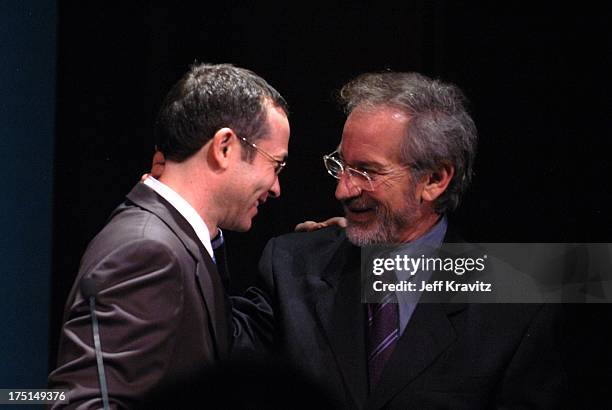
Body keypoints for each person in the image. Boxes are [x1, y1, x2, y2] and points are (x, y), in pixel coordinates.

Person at [232, 71, 566, 409]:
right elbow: (211, 359)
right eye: (342, 167)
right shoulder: (291, 267)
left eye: (366, 172)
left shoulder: (513, 309)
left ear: (434, 180)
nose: (343, 189)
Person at [48, 63, 290, 408]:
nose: (277, 187)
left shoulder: (177, 242)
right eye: (275, 164)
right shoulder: (147, 250)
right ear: (224, 147)